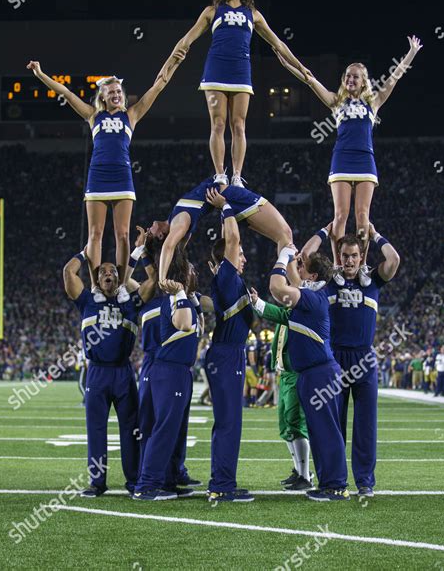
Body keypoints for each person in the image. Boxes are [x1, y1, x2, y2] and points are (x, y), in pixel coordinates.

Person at [27, 54, 183, 290]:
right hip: (98, 177)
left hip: (122, 177)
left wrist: (174, 60)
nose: (117, 95)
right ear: (103, 96)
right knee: (95, 234)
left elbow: (158, 86)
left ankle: (120, 285)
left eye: (119, 91)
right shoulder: (93, 116)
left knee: (122, 234)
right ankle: (95, 286)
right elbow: (67, 94)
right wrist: (40, 74)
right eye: (111, 92)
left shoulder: (131, 115)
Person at [275, 36, 422, 284]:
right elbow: (309, 79)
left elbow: (394, 78)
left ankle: (362, 265)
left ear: (363, 81)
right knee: (340, 216)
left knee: (363, 217)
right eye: (347, 75)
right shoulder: (336, 102)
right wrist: (287, 64)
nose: (350, 79)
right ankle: (336, 265)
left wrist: (411, 53)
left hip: (365, 162)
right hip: (341, 161)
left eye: (355, 76)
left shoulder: (373, 103)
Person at [158, 0, 310, 185]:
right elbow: (186, 40)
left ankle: (237, 176)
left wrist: (300, 66)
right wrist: (168, 64)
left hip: (241, 71)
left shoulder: (254, 14)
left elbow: (278, 44)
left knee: (238, 125)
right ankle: (220, 174)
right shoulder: (212, 11)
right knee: (218, 124)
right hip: (216, 70)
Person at [301, 222, 400, 497]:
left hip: (365, 359)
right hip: (334, 359)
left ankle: (365, 481)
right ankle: (335, 481)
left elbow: (394, 259)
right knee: (335, 425)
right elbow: (304, 258)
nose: (349, 261)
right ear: (338, 256)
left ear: (361, 255)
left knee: (366, 424)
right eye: (344, 255)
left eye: (354, 255)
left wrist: (376, 234)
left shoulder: (374, 280)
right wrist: (324, 231)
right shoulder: (329, 280)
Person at [252, 245, 350, 501]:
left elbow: (276, 287)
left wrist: (283, 257)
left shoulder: (312, 299)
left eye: (303, 269)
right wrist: (294, 255)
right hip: (310, 374)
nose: (298, 272)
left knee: (327, 431)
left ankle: (337, 484)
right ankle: (328, 481)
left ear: (312, 277)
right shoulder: (311, 295)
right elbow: (294, 282)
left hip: (320, 373)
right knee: (319, 432)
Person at [63, 245, 156, 497]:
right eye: (102, 271)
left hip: (123, 372)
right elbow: (68, 273)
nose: (107, 274)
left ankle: (133, 479)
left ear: (119, 277)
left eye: (112, 271)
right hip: (98, 372)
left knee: (131, 429)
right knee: (96, 429)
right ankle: (97, 482)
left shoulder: (131, 303)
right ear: (97, 278)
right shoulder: (87, 301)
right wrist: (84, 252)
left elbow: (154, 281)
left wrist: (142, 252)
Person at [133, 249, 199, 501]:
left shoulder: (184, 297)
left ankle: (167, 480)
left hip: (178, 370)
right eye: (191, 270)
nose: (196, 273)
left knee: (172, 429)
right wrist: (180, 291)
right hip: (170, 369)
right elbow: (183, 324)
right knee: (163, 428)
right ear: (181, 275)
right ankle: (147, 484)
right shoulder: (174, 297)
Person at [204, 189, 255, 503]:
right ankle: (221, 485)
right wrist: (226, 208)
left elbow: (232, 244)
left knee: (230, 422)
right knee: (228, 422)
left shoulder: (230, 279)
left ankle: (223, 481)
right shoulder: (226, 276)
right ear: (226, 258)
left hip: (229, 354)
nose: (244, 257)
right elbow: (232, 242)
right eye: (239, 254)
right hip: (225, 355)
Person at [151, 179, 293, 283]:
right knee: (285, 234)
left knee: (281, 237)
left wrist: (142, 250)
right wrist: (162, 279)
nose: (149, 227)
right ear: (160, 235)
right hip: (229, 199)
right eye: (149, 231)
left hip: (226, 205)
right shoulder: (179, 223)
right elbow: (168, 247)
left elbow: (177, 253)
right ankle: (295, 287)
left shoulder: (176, 223)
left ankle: (293, 285)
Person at [250, 292, 312, 491]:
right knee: (286, 425)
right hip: (284, 374)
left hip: (296, 373)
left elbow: (276, 313)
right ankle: (298, 470)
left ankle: (305, 475)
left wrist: (258, 303)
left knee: (296, 423)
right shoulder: (287, 311)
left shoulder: (299, 311)